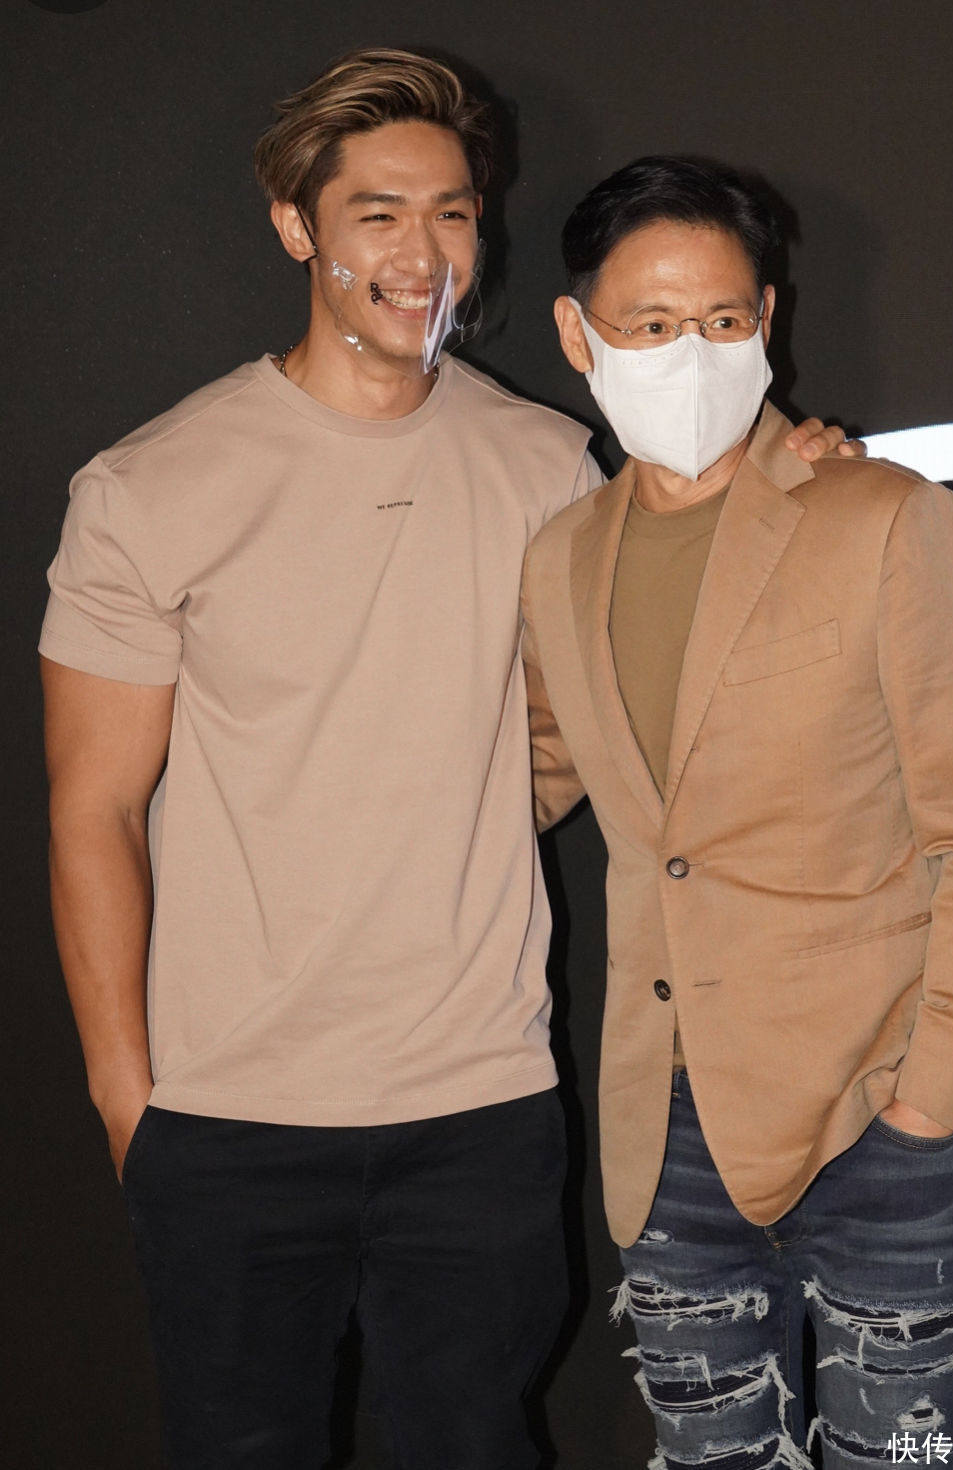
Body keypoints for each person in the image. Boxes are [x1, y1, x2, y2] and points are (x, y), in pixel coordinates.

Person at [39, 50, 851, 1469]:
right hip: (229, 1115)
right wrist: (129, 1100)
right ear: (296, 227)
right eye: (379, 214)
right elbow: (92, 807)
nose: (423, 254)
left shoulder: (549, 464)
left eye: (454, 214)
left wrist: (804, 468)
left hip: (480, 1105)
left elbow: (626, 666)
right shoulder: (147, 486)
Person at [521, 156, 953, 1469]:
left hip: (878, 1121)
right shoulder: (560, 556)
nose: (689, 355)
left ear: (769, 318)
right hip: (665, 1133)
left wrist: (939, 1101)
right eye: (650, 324)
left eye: (722, 320)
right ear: (578, 334)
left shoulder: (885, 519)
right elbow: (536, 774)